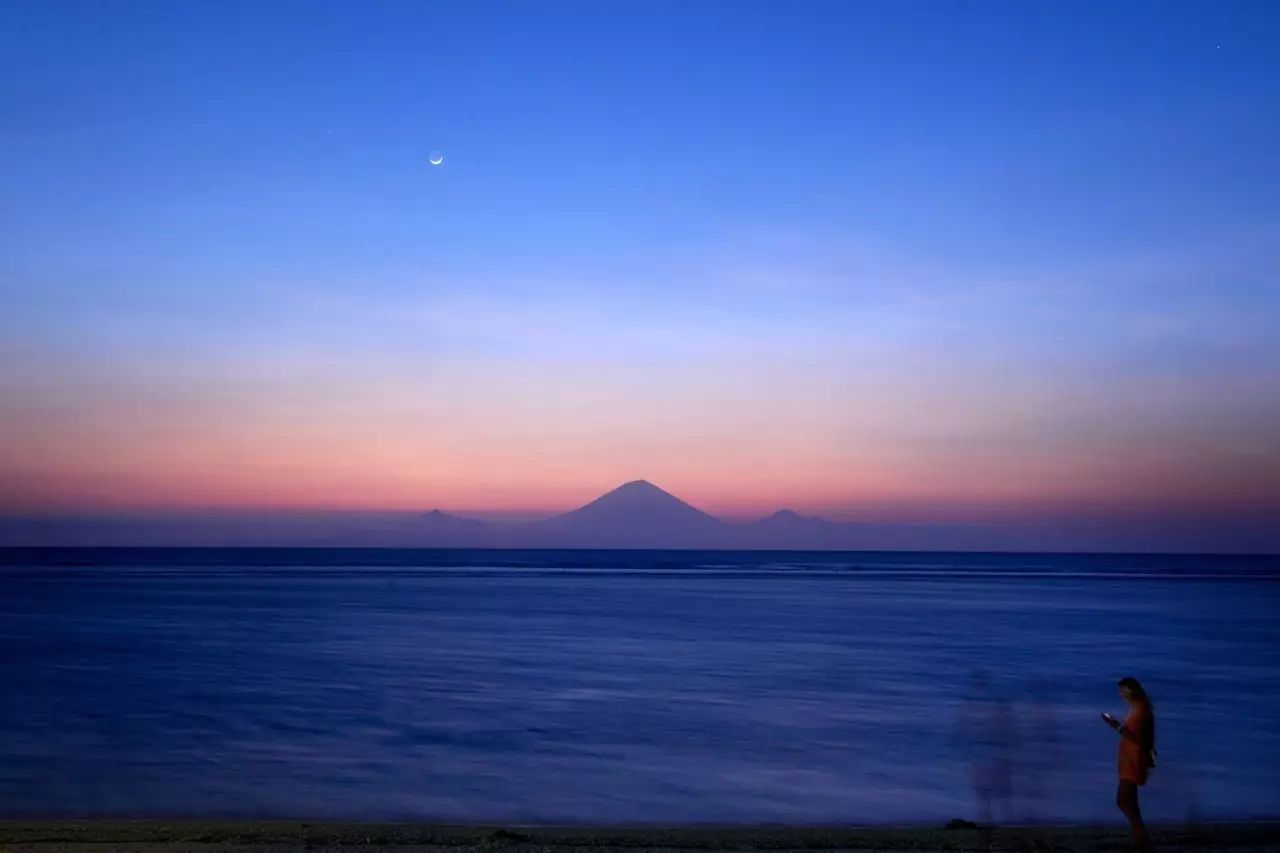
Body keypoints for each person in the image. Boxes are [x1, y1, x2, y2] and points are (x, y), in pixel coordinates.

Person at [1102, 677, 1157, 853]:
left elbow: (1140, 739)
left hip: (1134, 761)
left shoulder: (1141, 709)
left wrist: (1117, 726)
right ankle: (1139, 840)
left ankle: (1143, 840)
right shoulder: (1138, 708)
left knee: (1124, 801)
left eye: (1123, 691)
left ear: (1131, 691)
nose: (1121, 695)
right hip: (1130, 760)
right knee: (1130, 802)